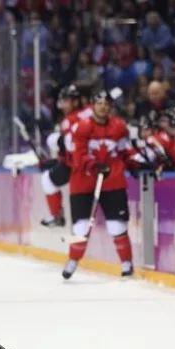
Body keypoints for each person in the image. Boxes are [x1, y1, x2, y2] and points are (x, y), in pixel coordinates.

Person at [65, 90, 145, 280]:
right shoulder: (82, 127)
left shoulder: (119, 127)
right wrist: (92, 166)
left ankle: (127, 265)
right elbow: (79, 154)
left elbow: (125, 150)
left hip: (113, 180)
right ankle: (72, 260)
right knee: (80, 228)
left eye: (107, 103)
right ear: (93, 105)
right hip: (83, 182)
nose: (103, 107)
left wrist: (134, 163)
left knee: (117, 226)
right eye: (99, 103)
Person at [40, 85, 93, 227]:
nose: (62, 105)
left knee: (47, 180)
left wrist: (57, 144)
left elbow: (70, 146)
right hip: (93, 161)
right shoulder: (91, 110)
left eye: (66, 101)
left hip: (77, 165)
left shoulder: (68, 120)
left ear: (75, 102)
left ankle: (56, 216)